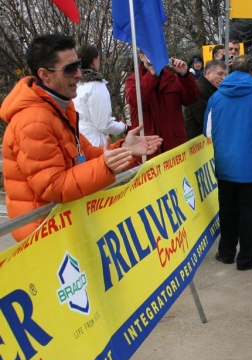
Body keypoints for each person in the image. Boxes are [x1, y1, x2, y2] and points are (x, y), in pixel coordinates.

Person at [0, 34, 162, 242]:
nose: (78, 74)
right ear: (45, 75)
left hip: (61, 224)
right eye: (69, 69)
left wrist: (123, 149)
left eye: (77, 65)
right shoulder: (33, 121)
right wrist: (107, 167)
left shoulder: (60, 107)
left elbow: (85, 155)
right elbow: (53, 186)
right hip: (42, 235)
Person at [204, 55, 252, 271]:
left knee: (227, 210)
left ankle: (226, 252)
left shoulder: (216, 97)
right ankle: (246, 258)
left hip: (225, 164)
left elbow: (208, 132)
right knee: (249, 212)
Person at [125, 50, 199, 155]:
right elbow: (135, 101)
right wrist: (152, 75)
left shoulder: (171, 78)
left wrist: (184, 75)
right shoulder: (133, 80)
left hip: (174, 145)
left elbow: (191, 98)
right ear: (142, 57)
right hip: (148, 146)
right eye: (150, 54)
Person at [73, 44, 128, 147]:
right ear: (94, 60)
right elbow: (103, 124)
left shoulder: (75, 84)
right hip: (94, 142)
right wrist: (124, 127)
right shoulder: (95, 86)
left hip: (79, 140)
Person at [184, 59, 227, 140]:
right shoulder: (198, 90)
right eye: (220, 74)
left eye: (225, 74)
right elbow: (205, 118)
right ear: (208, 73)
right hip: (196, 138)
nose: (223, 78)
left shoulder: (215, 89)